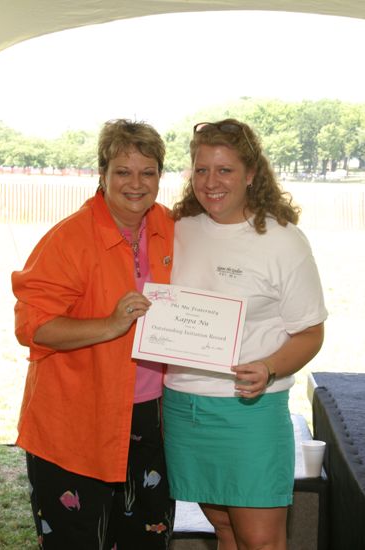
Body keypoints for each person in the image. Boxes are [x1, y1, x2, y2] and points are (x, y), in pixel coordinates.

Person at [162, 119, 327, 550]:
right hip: (183, 406)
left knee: (261, 541)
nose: (211, 182)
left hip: (248, 410)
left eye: (225, 170)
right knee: (224, 529)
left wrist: (270, 367)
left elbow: (310, 332)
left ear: (251, 174)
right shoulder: (176, 229)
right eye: (201, 170)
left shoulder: (283, 241)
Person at [11, 119, 175, 550]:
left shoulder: (170, 229)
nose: (135, 183)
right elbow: (32, 326)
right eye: (123, 171)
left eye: (148, 172)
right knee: (78, 541)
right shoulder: (69, 239)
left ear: (160, 175)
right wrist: (110, 324)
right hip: (76, 424)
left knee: (146, 538)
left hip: (151, 421)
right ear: (101, 175)